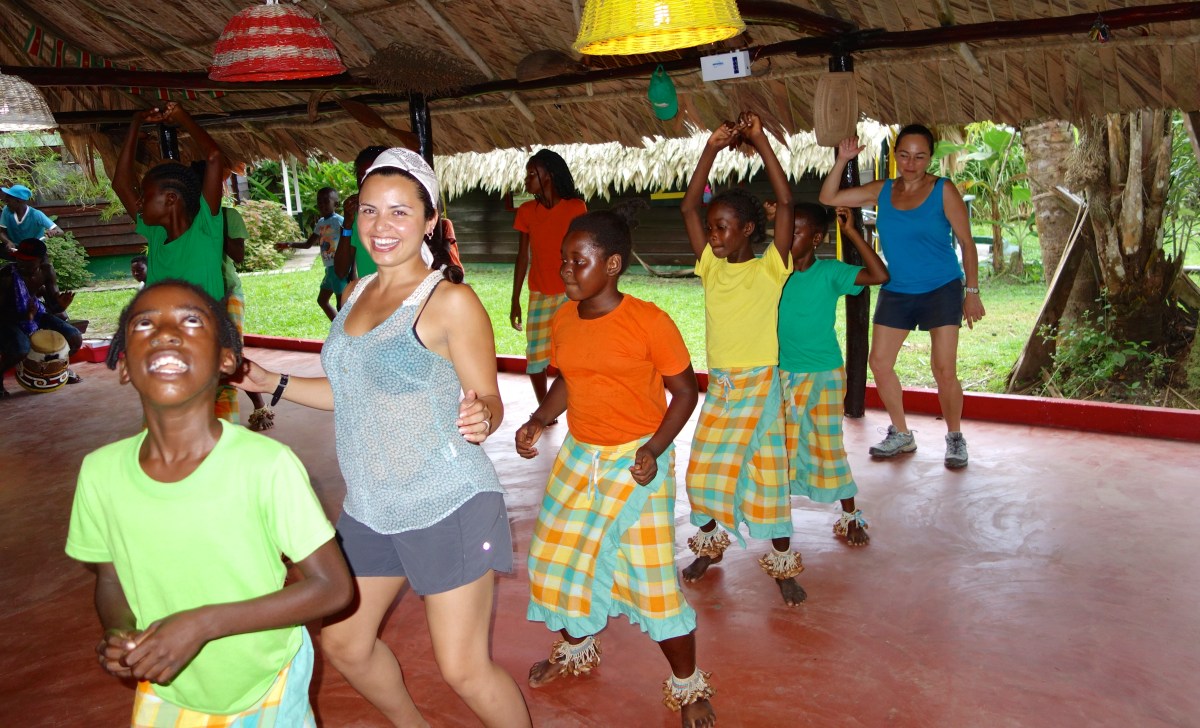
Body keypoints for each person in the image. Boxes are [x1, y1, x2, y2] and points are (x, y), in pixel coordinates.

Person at [233, 148, 532, 728]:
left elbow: (489, 397)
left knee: (463, 669)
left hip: (449, 502)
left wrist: (482, 417)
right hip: (372, 506)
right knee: (345, 643)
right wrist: (273, 381)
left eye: (399, 212)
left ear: (428, 221)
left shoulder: (449, 301)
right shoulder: (354, 295)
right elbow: (350, 389)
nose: (381, 226)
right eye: (369, 211)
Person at [65, 280, 353, 726]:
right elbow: (111, 579)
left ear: (226, 361)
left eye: (191, 320)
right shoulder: (99, 473)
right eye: (144, 324)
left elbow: (333, 587)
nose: (164, 331)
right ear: (123, 366)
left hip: (265, 682)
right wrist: (119, 631)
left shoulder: (266, 466)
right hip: (168, 685)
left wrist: (202, 624)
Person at [515, 208, 714, 727]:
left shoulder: (649, 321)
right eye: (563, 260)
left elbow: (686, 391)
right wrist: (539, 418)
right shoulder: (563, 317)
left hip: (637, 460)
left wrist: (653, 448)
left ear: (613, 265)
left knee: (650, 580)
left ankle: (688, 686)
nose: (565, 270)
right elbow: (570, 381)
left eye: (578, 261)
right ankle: (576, 646)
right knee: (554, 559)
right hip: (580, 457)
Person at [678, 111, 802, 605]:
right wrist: (710, 147)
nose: (714, 235)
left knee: (769, 477)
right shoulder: (709, 266)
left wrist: (760, 140)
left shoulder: (773, 267)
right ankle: (711, 546)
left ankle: (782, 566)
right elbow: (690, 207)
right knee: (701, 473)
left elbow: (788, 201)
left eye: (725, 228)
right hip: (723, 389)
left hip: (761, 387)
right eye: (712, 228)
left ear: (750, 228)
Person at [818, 126, 985, 468]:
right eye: (905, 155)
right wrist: (844, 159)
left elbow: (967, 243)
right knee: (879, 362)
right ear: (896, 155)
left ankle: (954, 437)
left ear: (930, 157)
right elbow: (828, 197)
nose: (911, 163)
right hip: (899, 288)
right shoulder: (883, 190)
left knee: (943, 369)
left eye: (920, 156)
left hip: (942, 286)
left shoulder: (943, 190)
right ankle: (902, 434)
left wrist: (972, 292)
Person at [778, 205, 889, 548]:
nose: (785, 239)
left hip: (824, 375)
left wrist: (853, 232)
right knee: (780, 448)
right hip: (782, 374)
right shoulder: (772, 273)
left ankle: (850, 516)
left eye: (795, 233)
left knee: (828, 444)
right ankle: (777, 518)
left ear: (816, 239)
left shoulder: (830, 273)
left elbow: (879, 276)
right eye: (783, 231)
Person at [510, 149, 587, 407]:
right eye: (527, 173)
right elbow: (523, 257)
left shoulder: (576, 208)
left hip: (571, 294)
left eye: (532, 173)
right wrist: (515, 300)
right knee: (535, 357)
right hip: (540, 294)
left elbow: (585, 251)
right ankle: (545, 408)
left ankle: (574, 402)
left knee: (570, 354)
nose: (526, 179)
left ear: (549, 176)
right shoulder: (526, 211)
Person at [1, 238, 83, 397]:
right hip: (7, 319)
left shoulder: (46, 271)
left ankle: (60, 368)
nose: (22, 263)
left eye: (28, 261)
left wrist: (60, 306)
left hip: (35, 313)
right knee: (20, 349)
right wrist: (24, 316)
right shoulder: (6, 276)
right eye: (19, 258)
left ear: (41, 260)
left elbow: (53, 306)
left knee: (74, 338)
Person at [332, 146, 388, 283]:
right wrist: (347, 224)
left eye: (371, 175)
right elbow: (341, 271)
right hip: (371, 297)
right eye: (360, 177)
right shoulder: (358, 215)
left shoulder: (403, 213)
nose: (364, 183)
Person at [305, 187, 346, 321]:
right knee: (322, 300)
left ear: (336, 204)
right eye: (319, 201)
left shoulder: (339, 221)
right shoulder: (321, 223)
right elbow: (308, 244)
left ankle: (346, 336)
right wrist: (289, 244)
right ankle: (338, 329)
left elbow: (351, 242)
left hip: (339, 267)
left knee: (342, 305)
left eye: (325, 201)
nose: (321, 204)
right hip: (329, 269)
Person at [1, 183, 63, 256]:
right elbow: (1, 232)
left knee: (42, 263)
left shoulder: (36, 214)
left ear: (18, 201)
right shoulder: (6, 210)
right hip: (14, 249)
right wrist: (8, 242)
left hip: (33, 251)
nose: (6, 203)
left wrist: (54, 232)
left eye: (8, 201)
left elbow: (60, 232)